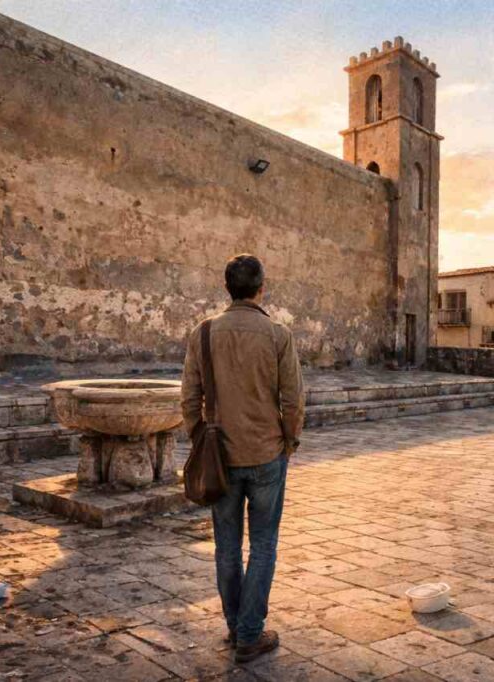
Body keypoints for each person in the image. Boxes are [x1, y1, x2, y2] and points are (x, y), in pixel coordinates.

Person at [181, 254, 304, 663]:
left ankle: (237, 628)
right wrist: (289, 441)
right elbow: (293, 400)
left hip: (221, 458)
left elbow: (189, 399)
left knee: (227, 547)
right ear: (261, 288)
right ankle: (250, 633)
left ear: (227, 288)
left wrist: (201, 439)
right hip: (267, 453)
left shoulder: (204, 333)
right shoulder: (278, 334)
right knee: (264, 544)